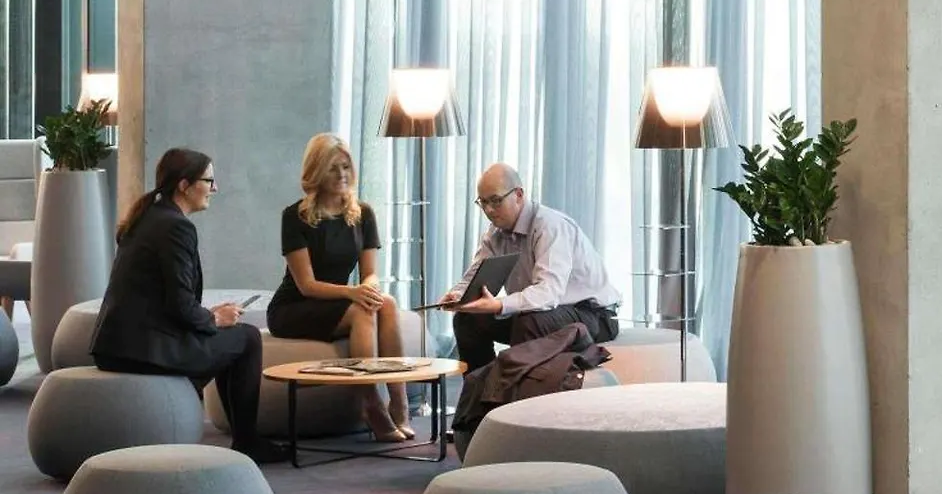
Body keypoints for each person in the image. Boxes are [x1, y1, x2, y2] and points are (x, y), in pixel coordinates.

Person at [91, 148, 288, 464]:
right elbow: (180, 305)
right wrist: (214, 320)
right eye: (209, 181)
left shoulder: (149, 217)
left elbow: (162, 298)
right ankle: (247, 440)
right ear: (184, 185)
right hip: (143, 351)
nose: (215, 188)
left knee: (230, 338)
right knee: (248, 338)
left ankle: (241, 434)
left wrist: (211, 316)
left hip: (117, 345)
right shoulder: (176, 227)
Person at [266, 134, 413, 442]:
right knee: (362, 311)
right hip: (294, 307)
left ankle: (399, 403)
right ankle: (371, 403)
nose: (342, 174)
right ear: (317, 171)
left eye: (346, 166)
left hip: (337, 302)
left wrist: (368, 289)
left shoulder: (363, 214)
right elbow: (306, 286)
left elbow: (370, 274)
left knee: (386, 302)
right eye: (333, 168)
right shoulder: (295, 217)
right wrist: (352, 292)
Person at [444, 163, 621, 372]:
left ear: (518, 195)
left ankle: (511, 390)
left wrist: (499, 305)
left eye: (496, 201)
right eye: (483, 202)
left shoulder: (550, 226)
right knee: (467, 318)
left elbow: (548, 293)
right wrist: (458, 296)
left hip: (593, 315)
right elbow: (475, 278)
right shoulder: (495, 233)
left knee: (530, 322)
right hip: (541, 311)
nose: (489, 210)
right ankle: (479, 388)